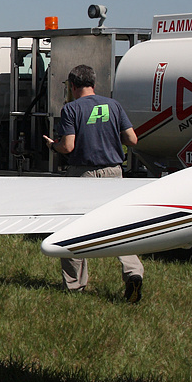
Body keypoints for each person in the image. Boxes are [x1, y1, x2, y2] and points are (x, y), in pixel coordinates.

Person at [44, 64, 144, 302]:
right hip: (114, 173)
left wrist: (52, 145)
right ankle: (133, 272)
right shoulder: (113, 105)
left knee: (73, 227)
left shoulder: (71, 109)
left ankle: (75, 286)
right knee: (118, 225)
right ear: (94, 84)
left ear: (72, 86)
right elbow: (132, 139)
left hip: (83, 175)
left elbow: (68, 146)